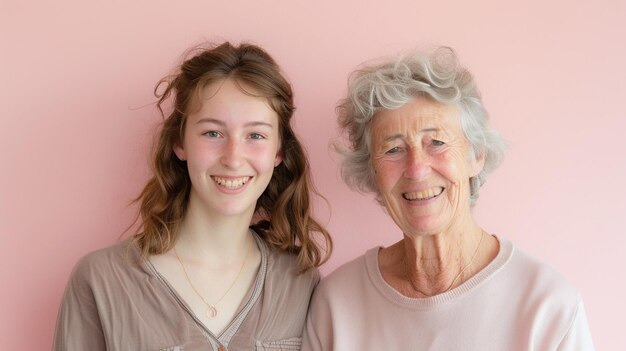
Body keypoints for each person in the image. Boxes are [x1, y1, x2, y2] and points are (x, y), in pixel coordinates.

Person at [302, 47, 594, 350]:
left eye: (436, 142)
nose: (416, 169)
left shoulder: (547, 307)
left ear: (476, 155)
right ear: (373, 171)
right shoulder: (335, 306)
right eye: (393, 149)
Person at [53, 42, 332, 351]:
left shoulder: (299, 282)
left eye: (256, 135)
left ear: (278, 151)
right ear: (180, 143)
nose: (233, 157)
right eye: (212, 133)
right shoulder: (101, 280)